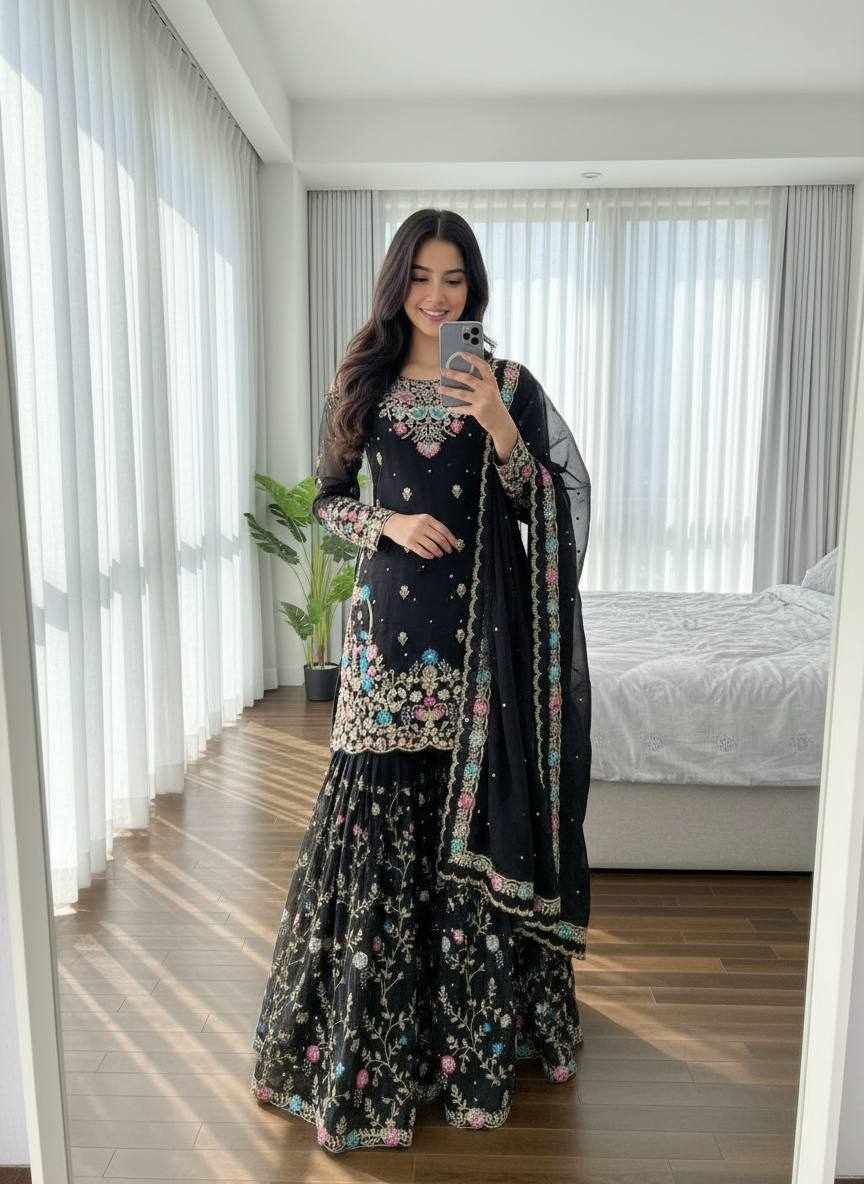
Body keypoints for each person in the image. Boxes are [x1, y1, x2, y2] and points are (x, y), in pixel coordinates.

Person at [250, 208, 593, 1154]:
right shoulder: (360, 380)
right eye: (422, 278)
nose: (438, 297)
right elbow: (327, 503)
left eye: (455, 280)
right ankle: (368, 1047)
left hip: (482, 647)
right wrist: (388, 526)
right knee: (376, 827)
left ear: (473, 288)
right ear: (397, 281)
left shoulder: (507, 385)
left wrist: (501, 431)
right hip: (387, 643)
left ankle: (476, 1041)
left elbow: (550, 510)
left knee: (470, 824)